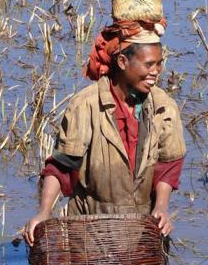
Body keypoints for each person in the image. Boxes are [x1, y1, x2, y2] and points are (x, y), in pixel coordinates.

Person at [23, 20, 186, 246]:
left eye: (159, 64)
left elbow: (168, 166)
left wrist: (161, 208)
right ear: (122, 61)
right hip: (89, 230)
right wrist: (44, 211)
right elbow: (62, 167)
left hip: (142, 229)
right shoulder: (86, 105)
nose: (155, 72)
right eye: (148, 64)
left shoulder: (163, 106)